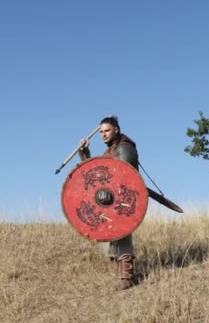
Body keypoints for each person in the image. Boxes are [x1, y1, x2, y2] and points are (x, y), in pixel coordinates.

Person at [78, 116, 139, 290]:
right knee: (109, 232)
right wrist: (85, 154)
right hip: (110, 199)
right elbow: (97, 177)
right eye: (101, 132)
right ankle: (121, 271)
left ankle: (127, 276)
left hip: (125, 199)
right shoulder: (111, 151)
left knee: (122, 233)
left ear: (116, 130)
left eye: (107, 131)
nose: (103, 135)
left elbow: (123, 178)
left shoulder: (125, 148)